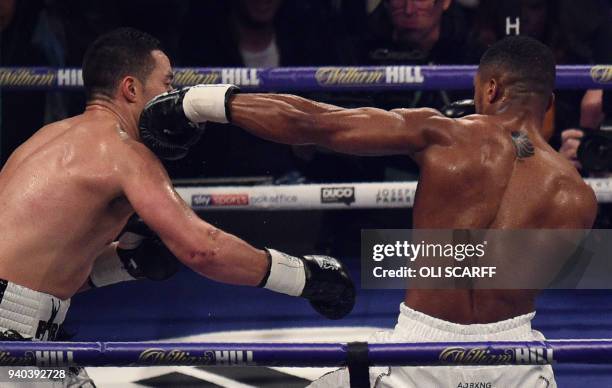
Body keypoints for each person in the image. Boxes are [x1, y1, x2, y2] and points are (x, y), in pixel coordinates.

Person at [144, 36, 597, 387]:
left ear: (491, 87)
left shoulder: (444, 135)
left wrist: (200, 103)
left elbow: (317, 124)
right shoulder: (578, 197)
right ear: (549, 104)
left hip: (420, 354)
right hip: (516, 361)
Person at [0, 27, 355, 386]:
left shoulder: (42, 139)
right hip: (12, 340)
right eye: (167, 84)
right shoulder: (126, 154)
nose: (172, 96)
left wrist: (125, 265)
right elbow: (204, 249)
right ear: (131, 89)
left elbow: (33, 273)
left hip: (21, 331)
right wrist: (303, 277)